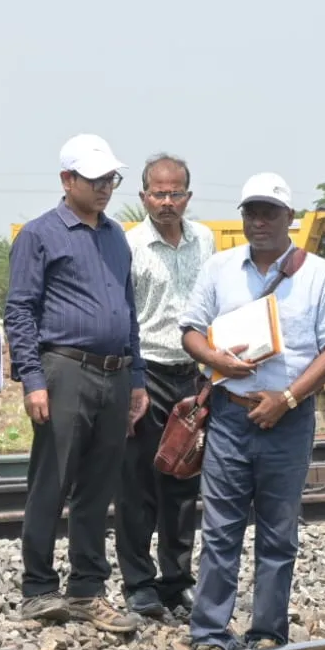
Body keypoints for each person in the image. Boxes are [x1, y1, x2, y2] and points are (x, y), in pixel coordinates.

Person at [180, 172, 325, 650]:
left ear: (289, 218)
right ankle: (210, 634)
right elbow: (191, 330)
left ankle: (267, 633)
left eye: (269, 212)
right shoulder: (219, 269)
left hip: (289, 419)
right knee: (220, 531)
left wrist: (288, 398)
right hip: (229, 415)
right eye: (251, 212)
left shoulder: (320, 275)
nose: (259, 221)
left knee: (278, 533)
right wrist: (214, 359)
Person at [6, 134, 148, 635]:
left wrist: (137, 377)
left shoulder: (116, 237)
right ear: (67, 180)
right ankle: (38, 588)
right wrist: (32, 379)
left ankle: (88, 589)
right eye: (95, 179)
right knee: (53, 480)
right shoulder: (40, 235)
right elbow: (20, 310)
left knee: (98, 486)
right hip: (65, 367)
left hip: (115, 371)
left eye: (111, 178)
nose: (105, 187)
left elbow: (128, 310)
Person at [117, 153, 215, 621]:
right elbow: (123, 314)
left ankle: (176, 581)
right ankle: (138, 582)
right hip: (146, 372)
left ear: (188, 196)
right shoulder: (129, 245)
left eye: (176, 193)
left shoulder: (205, 241)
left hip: (192, 373)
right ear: (143, 196)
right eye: (159, 193)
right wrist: (131, 379)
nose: (167, 201)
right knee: (138, 483)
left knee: (183, 480)